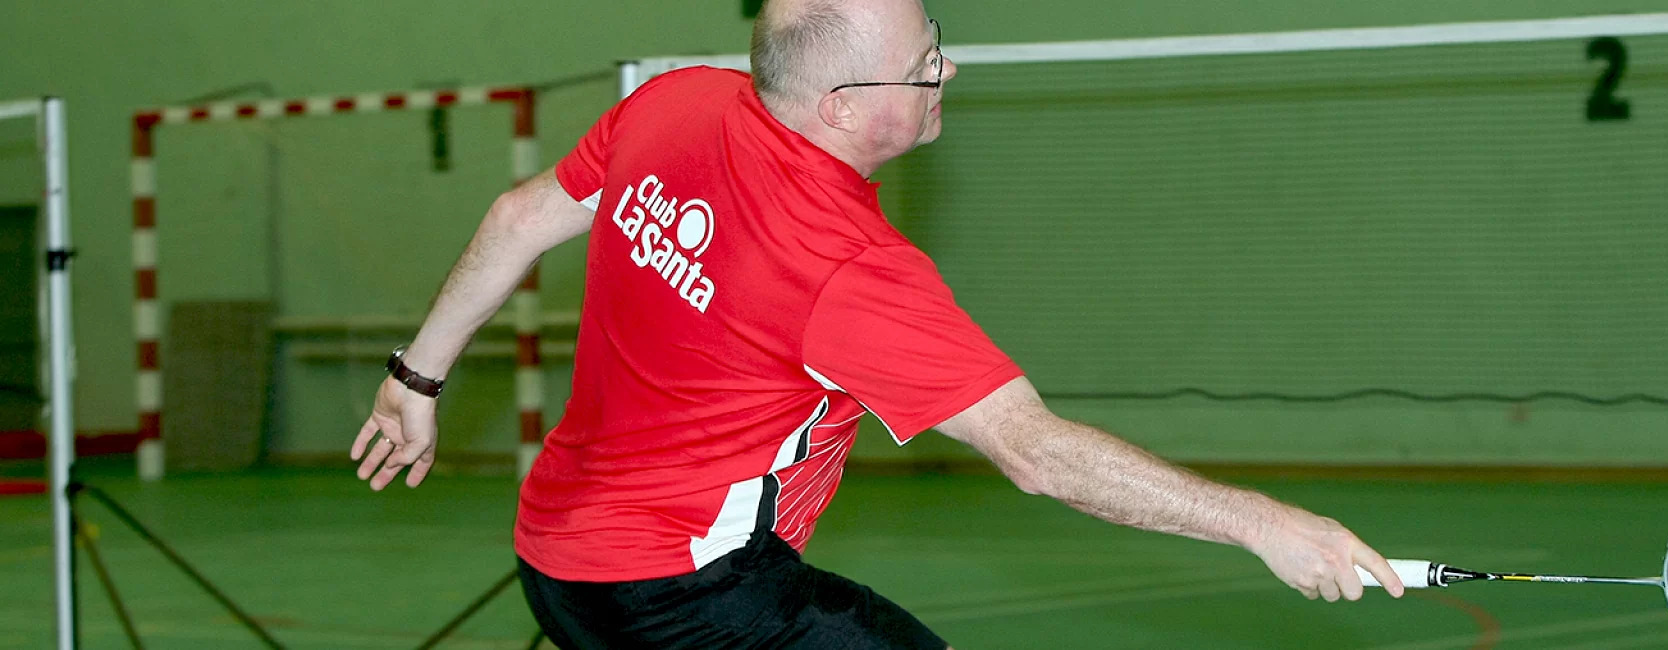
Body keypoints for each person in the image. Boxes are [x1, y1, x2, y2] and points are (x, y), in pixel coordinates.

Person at [350, 0, 1405, 646]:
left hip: (550, 556)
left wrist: (418, 376)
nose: (949, 68)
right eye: (924, 62)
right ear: (846, 108)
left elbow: (519, 216)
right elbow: (1037, 454)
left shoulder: (675, 102)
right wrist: (1265, 521)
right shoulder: (849, 269)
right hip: (687, 598)